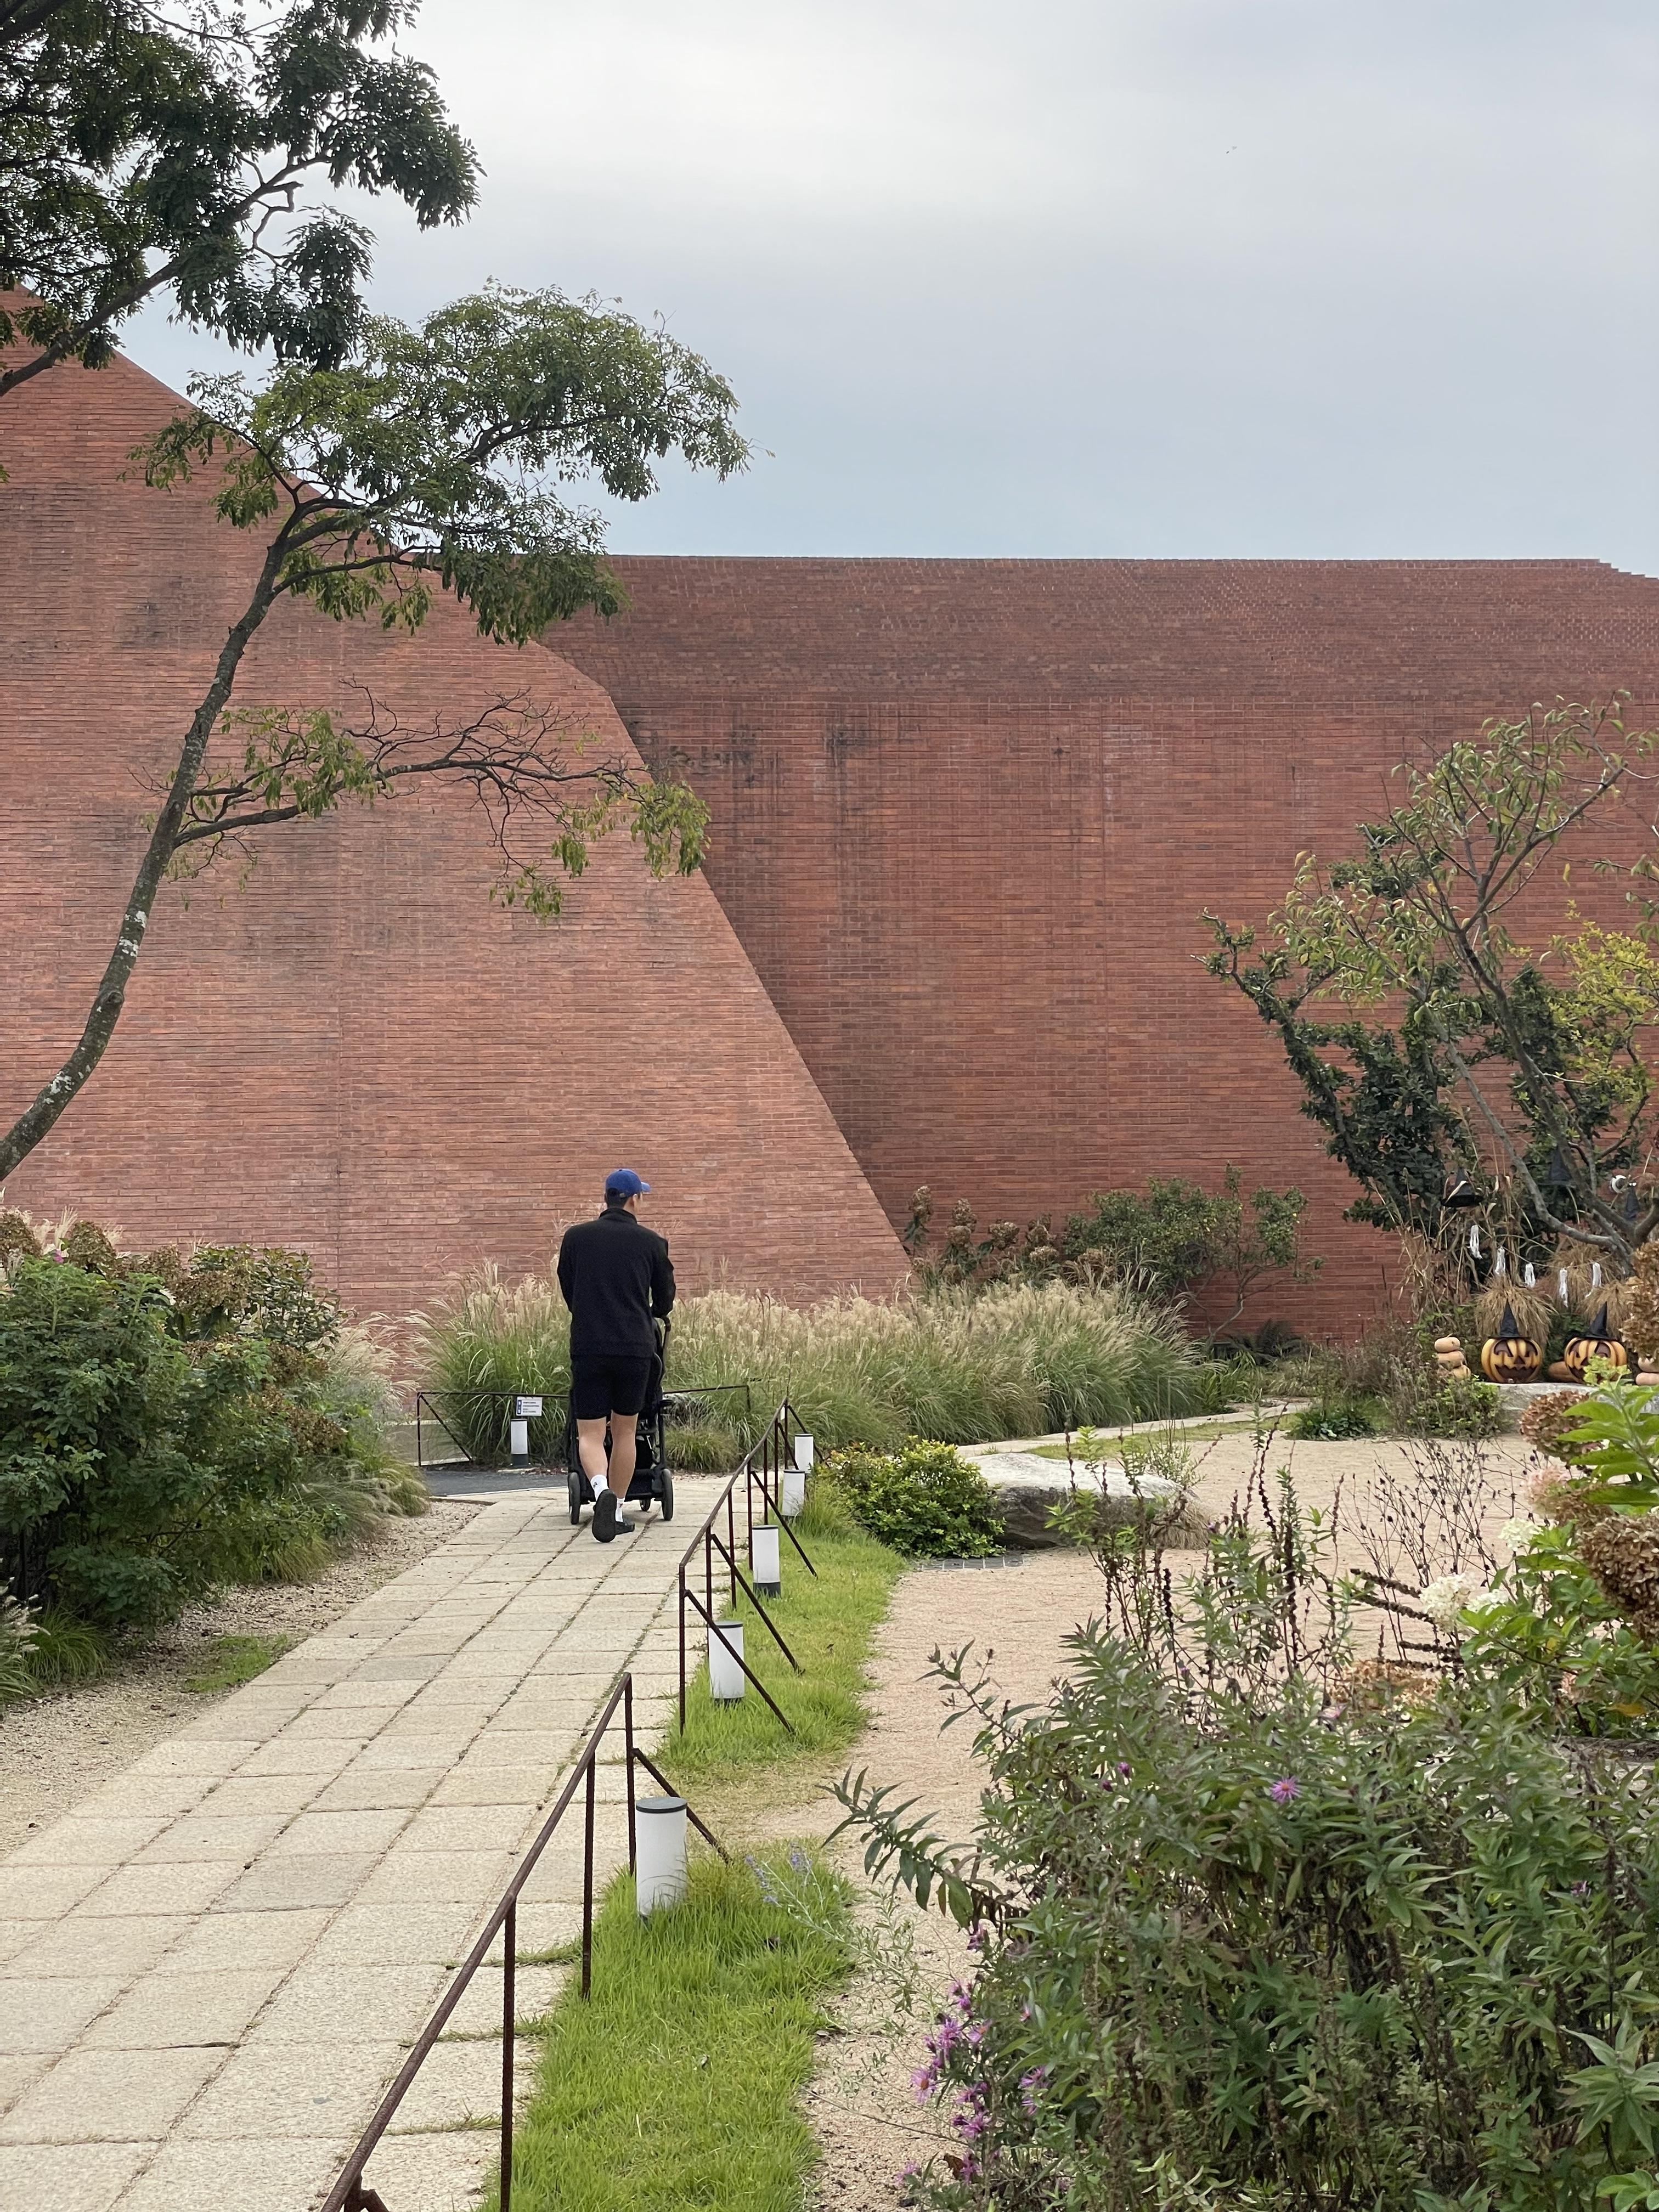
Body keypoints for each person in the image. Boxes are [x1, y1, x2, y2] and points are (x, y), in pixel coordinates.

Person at [556, 1169, 676, 1542]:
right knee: (625, 1431)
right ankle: (619, 1507)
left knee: (590, 1433)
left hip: (590, 1345)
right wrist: (646, 1310)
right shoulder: (652, 1243)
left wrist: (590, 1312)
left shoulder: (576, 1238)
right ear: (634, 1199)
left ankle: (599, 1487)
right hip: (635, 1348)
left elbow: (568, 1287)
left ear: (606, 1197)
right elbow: (666, 1301)